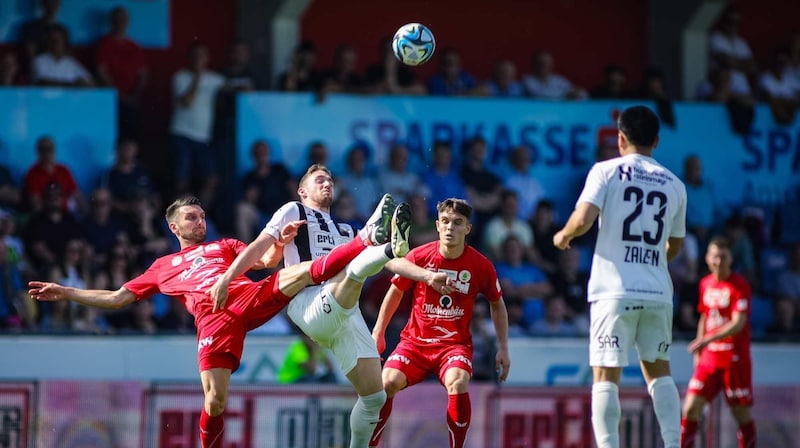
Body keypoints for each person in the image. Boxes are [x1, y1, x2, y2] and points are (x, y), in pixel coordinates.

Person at [29, 194, 431, 448]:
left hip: (245, 296)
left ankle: (368, 239)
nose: (199, 222)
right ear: (174, 227)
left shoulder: (224, 245)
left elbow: (268, 261)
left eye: (202, 216)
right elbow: (118, 297)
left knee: (294, 273)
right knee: (215, 400)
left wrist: (284, 238)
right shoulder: (162, 266)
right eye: (191, 218)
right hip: (214, 321)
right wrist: (66, 292)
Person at [210, 165, 450, 447]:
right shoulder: (294, 211)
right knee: (353, 271)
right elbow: (260, 245)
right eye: (319, 180)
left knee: (375, 397)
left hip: (346, 313)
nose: (327, 184)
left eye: (330, 180)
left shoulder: (344, 229)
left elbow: (392, 263)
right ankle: (375, 239)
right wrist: (228, 277)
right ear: (302, 191)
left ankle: (377, 241)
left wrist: (428, 275)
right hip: (309, 302)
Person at [553, 105, 686, 448]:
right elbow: (676, 243)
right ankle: (674, 444)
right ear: (656, 140)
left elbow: (583, 219)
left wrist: (564, 235)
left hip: (614, 290)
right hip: (657, 292)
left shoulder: (606, 171)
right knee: (659, 371)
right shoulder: (675, 184)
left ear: (620, 138)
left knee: (605, 375)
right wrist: (653, 259)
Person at [369, 198, 511, 448]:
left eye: (457, 223)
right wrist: (378, 332)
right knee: (386, 383)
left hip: (453, 346)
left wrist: (503, 347)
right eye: (445, 222)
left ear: (468, 229)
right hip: (414, 344)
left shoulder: (481, 266)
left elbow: (497, 303)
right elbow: (395, 291)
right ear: (437, 225)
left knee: (458, 381)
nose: (450, 228)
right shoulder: (420, 255)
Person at [680, 237, 756, 447]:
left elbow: (738, 323)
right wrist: (699, 348)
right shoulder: (705, 284)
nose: (718, 261)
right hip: (709, 358)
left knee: (740, 413)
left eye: (723, 257)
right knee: (690, 408)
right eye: (715, 256)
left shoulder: (739, 286)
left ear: (731, 259)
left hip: (734, 358)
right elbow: (705, 316)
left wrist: (708, 339)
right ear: (707, 258)